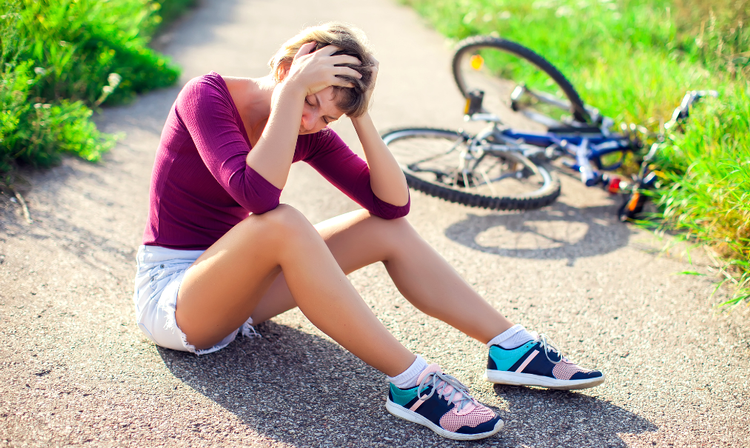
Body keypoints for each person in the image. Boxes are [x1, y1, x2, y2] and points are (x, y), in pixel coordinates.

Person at [133, 22, 604, 441]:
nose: (310, 122)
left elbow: (392, 204)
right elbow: (255, 195)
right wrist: (296, 89)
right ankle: (413, 382)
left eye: (326, 117)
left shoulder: (308, 130)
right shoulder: (207, 96)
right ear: (285, 68)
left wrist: (360, 116)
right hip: (175, 297)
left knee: (383, 229)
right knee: (281, 222)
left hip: (237, 292)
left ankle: (510, 348)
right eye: (310, 101)